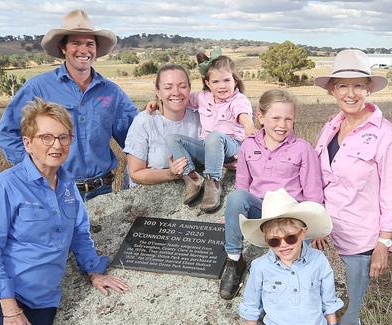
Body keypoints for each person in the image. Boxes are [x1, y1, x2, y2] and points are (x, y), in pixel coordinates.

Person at [0, 98, 128, 325]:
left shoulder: (68, 186)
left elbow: (79, 233)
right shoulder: (5, 187)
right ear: (28, 143)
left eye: (63, 137)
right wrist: (10, 309)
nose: (57, 145)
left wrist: (94, 271)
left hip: (42, 299)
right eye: (47, 137)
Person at [312, 49, 392, 325]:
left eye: (357, 86)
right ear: (332, 90)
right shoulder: (329, 127)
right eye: (342, 86)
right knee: (322, 318)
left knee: (347, 324)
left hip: (358, 243)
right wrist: (314, 227)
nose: (350, 93)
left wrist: (384, 241)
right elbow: (318, 182)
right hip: (323, 240)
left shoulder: (386, 135)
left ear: (368, 89)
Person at [0, 9, 138, 200]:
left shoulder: (111, 92)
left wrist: (159, 114)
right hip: (54, 191)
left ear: (95, 50)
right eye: (75, 43)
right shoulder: (38, 88)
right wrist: (36, 171)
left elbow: (136, 137)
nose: (83, 50)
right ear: (63, 48)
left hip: (102, 191)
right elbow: (7, 133)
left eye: (89, 44)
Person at [219, 89, 323, 300]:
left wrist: (316, 227)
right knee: (235, 198)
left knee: (294, 271)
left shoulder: (302, 149)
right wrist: (233, 214)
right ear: (260, 117)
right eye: (275, 118)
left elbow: (312, 190)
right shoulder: (248, 146)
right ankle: (233, 259)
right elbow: (242, 185)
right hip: (261, 211)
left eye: (288, 119)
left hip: (289, 214)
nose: (282, 125)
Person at [238, 188, 343, 325]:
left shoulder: (318, 261)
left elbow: (329, 302)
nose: (283, 245)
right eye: (274, 241)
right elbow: (251, 305)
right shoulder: (261, 267)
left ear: (303, 232)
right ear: (266, 240)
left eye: (290, 238)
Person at [165, 48, 257, 212]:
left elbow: (243, 115)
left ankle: (213, 182)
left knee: (214, 137)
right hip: (208, 149)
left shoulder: (238, 100)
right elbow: (179, 99)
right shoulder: (202, 97)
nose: (222, 86)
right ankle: (193, 179)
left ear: (235, 81)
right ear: (207, 83)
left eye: (226, 80)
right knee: (173, 139)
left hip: (232, 146)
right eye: (215, 82)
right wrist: (158, 102)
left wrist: (250, 127)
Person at [124, 64, 201, 184]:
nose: (176, 92)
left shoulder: (200, 118)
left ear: (190, 89)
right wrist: (170, 173)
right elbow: (135, 173)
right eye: (168, 87)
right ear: (158, 92)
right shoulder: (144, 121)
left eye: (182, 86)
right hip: (153, 197)